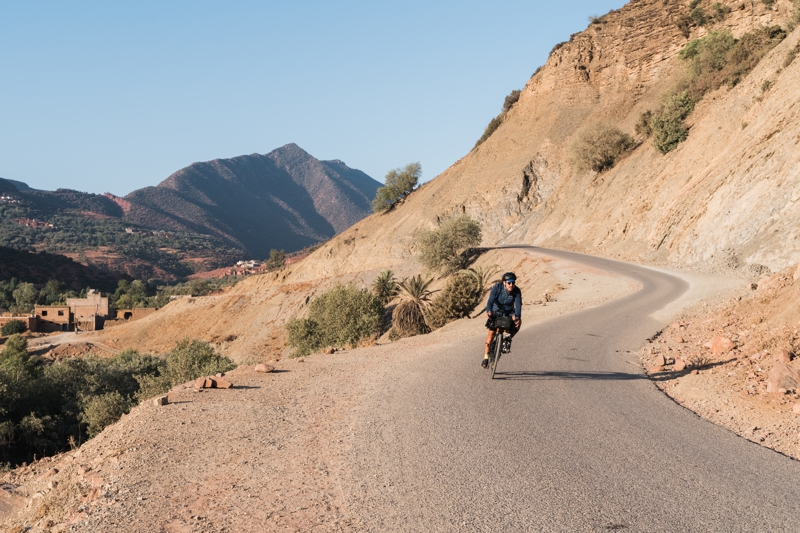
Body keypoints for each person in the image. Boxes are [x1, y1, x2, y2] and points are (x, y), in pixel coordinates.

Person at [482, 272, 522, 368]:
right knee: (491, 334)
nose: (511, 285)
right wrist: (489, 311)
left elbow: (518, 305)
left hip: (509, 312)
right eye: (509, 283)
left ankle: (507, 338)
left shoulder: (517, 291)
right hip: (496, 311)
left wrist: (516, 316)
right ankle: (486, 357)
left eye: (513, 282)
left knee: (519, 322)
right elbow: (490, 301)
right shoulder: (497, 288)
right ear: (504, 282)